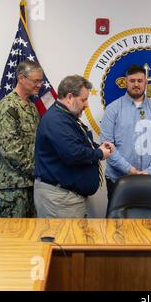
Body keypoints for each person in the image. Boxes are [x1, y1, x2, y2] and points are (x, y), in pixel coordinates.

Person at [34, 75, 114, 218]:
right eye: (83, 100)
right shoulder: (57, 120)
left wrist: (98, 146)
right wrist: (99, 153)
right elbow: (73, 153)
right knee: (64, 240)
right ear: (70, 97)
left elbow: (78, 143)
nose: (86, 105)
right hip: (59, 200)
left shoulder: (66, 117)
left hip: (66, 198)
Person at [100, 65, 151, 203]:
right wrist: (130, 170)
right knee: (118, 222)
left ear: (146, 82)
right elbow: (107, 147)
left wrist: (149, 172)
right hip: (118, 179)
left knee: (149, 222)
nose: (136, 84)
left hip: (150, 179)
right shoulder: (112, 109)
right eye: (132, 81)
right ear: (126, 82)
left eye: (139, 80)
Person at [0, 60, 43, 217]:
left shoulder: (31, 107)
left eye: (41, 81)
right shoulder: (8, 106)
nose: (40, 85)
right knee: (12, 237)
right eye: (36, 81)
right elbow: (11, 151)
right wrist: (39, 170)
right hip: (12, 188)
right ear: (21, 78)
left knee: (30, 236)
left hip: (29, 185)